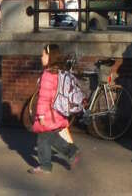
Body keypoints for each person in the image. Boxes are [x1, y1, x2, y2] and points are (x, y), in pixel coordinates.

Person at [30, 43, 80, 175]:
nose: (41, 58)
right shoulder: (59, 72)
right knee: (48, 137)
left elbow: (44, 97)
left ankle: (50, 163)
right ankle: (68, 153)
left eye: (43, 55)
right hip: (57, 111)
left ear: (49, 57)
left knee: (45, 138)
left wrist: (40, 115)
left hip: (47, 113)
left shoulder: (47, 75)